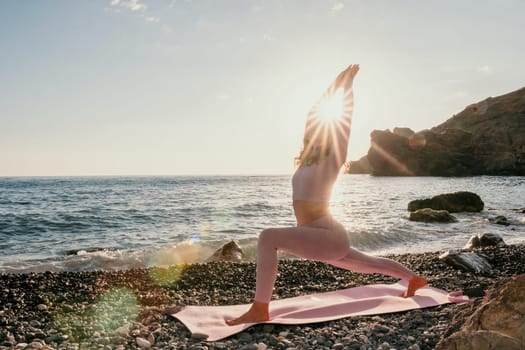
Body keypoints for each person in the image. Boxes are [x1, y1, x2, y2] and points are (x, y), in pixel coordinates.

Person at [226, 64, 427, 326]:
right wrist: (334, 83)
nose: (316, 133)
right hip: (320, 233)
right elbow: (314, 113)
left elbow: (345, 120)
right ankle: (413, 279)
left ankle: (260, 309)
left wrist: (347, 87)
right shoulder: (306, 160)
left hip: (326, 235)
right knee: (365, 263)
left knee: (267, 238)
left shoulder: (334, 157)